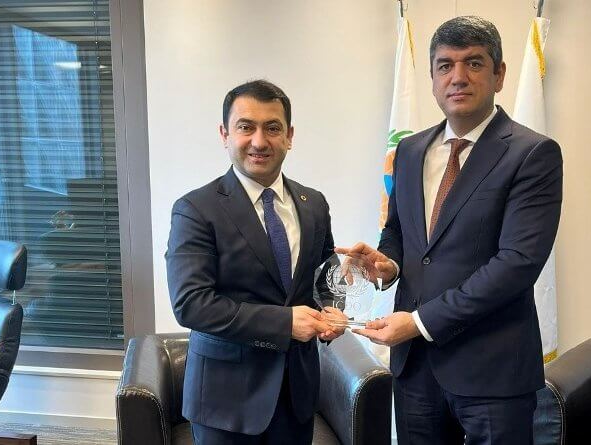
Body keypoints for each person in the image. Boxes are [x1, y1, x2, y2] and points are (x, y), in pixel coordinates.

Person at [337, 16, 563, 445]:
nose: (457, 77)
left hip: (493, 371)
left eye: (473, 63)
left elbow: (517, 264)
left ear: (499, 75)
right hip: (415, 370)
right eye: (445, 65)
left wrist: (419, 322)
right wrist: (388, 264)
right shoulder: (409, 150)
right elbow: (399, 233)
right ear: (432, 77)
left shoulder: (533, 153)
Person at [166, 79, 344, 444]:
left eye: (272, 128)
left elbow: (324, 278)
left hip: (297, 393)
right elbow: (191, 304)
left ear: (289, 136)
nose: (259, 142)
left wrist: (333, 310)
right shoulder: (195, 209)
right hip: (225, 401)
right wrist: (285, 323)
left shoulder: (314, 203)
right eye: (246, 127)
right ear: (225, 134)